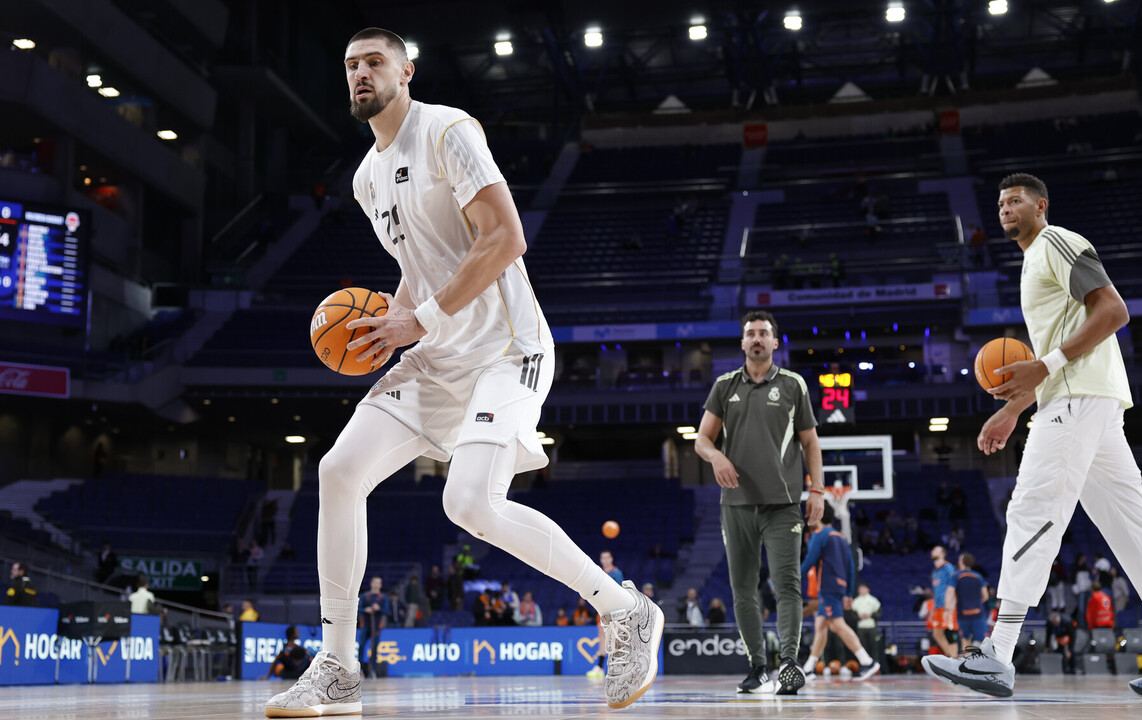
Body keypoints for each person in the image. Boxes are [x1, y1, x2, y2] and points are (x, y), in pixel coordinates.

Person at [265, 27, 664, 717]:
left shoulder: (448, 130)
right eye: (351, 65)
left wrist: (418, 319)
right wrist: (388, 321)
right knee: (337, 472)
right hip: (434, 354)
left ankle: (625, 610)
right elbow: (417, 267)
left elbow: (506, 238)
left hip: (507, 350)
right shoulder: (364, 177)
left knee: (469, 503)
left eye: (375, 63)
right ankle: (337, 666)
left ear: (406, 71)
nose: (361, 74)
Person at [921, 173, 1142, 700]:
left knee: (1032, 509)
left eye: (1015, 200)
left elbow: (1114, 311)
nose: (1004, 208)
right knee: (1133, 526)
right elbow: (1056, 357)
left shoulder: (1057, 241)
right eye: (999, 203)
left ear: (1041, 205)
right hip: (1085, 400)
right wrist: (1017, 406)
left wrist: (1043, 369)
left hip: (1077, 400)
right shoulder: (1032, 260)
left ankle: (997, 653)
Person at [694, 310, 825, 695]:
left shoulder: (792, 385)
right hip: (735, 505)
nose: (756, 339)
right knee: (743, 589)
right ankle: (757, 667)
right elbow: (702, 439)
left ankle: (788, 663)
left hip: (783, 504)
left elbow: (811, 442)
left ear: (774, 342)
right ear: (742, 342)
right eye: (750, 333)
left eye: (763, 333)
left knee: (788, 585)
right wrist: (715, 456)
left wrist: (816, 489)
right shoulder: (723, 386)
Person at [799, 503, 880, 681]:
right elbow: (851, 567)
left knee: (836, 625)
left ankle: (867, 661)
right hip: (839, 586)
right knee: (820, 626)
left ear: (818, 515)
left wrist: (794, 576)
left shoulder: (820, 535)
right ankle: (809, 668)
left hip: (827, 586)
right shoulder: (841, 537)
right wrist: (848, 593)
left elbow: (810, 560)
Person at [927, 545, 959, 658]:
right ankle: (951, 656)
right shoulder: (934, 572)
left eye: (936, 550)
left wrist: (950, 605)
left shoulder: (948, 567)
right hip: (938, 606)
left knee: (949, 632)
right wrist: (932, 610)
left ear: (942, 554)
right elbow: (936, 591)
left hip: (948, 606)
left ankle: (954, 658)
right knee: (937, 634)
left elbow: (954, 587)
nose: (932, 551)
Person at [358, 577, 392, 678]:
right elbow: (359, 609)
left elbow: (386, 611)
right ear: (371, 583)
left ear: (381, 585)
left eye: (379, 583)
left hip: (376, 627)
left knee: (374, 649)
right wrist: (366, 610)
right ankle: (360, 670)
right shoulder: (365, 596)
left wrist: (379, 609)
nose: (377, 584)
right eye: (375, 582)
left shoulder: (383, 598)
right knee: (361, 647)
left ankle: (372, 670)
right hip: (365, 626)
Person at [954, 553, 989, 648]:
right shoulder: (978, 576)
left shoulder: (956, 576)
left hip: (963, 614)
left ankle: (965, 661)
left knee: (964, 641)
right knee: (982, 642)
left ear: (961, 562)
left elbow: (952, 595)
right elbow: (985, 596)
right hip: (978, 613)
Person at [851, 583, 882, 664]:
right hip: (861, 627)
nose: (862, 590)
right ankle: (864, 664)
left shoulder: (873, 600)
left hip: (871, 627)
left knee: (874, 646)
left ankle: (876, 663)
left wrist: (870, 615)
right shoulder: (856, 601)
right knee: (862, 646)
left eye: (864, 588)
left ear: (868, 589)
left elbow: (879, 613)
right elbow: (852, 615)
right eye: (861, 588)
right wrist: (859, 617)